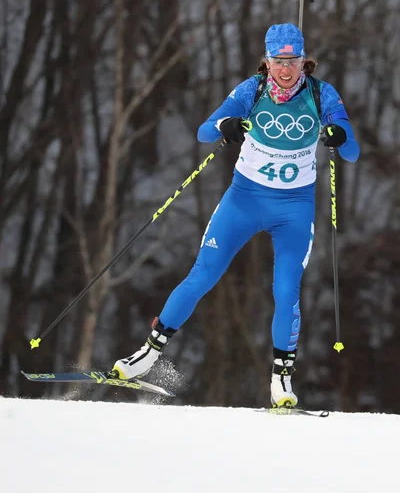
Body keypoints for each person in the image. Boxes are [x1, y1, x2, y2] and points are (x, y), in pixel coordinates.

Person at [112, 23, 360, 407]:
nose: (285, 69)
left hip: (293, 207)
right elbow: (203, 132)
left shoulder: (320, 93)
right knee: (203, 274)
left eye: (292, 61)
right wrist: (225, 125)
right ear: (267, 61)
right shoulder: (252, 90)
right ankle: (148, 354)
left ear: (303, 62)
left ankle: (281, 379)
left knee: (285, 292)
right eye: (278, 61)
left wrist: (338, 135)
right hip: (244, 200)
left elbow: (352, 150)